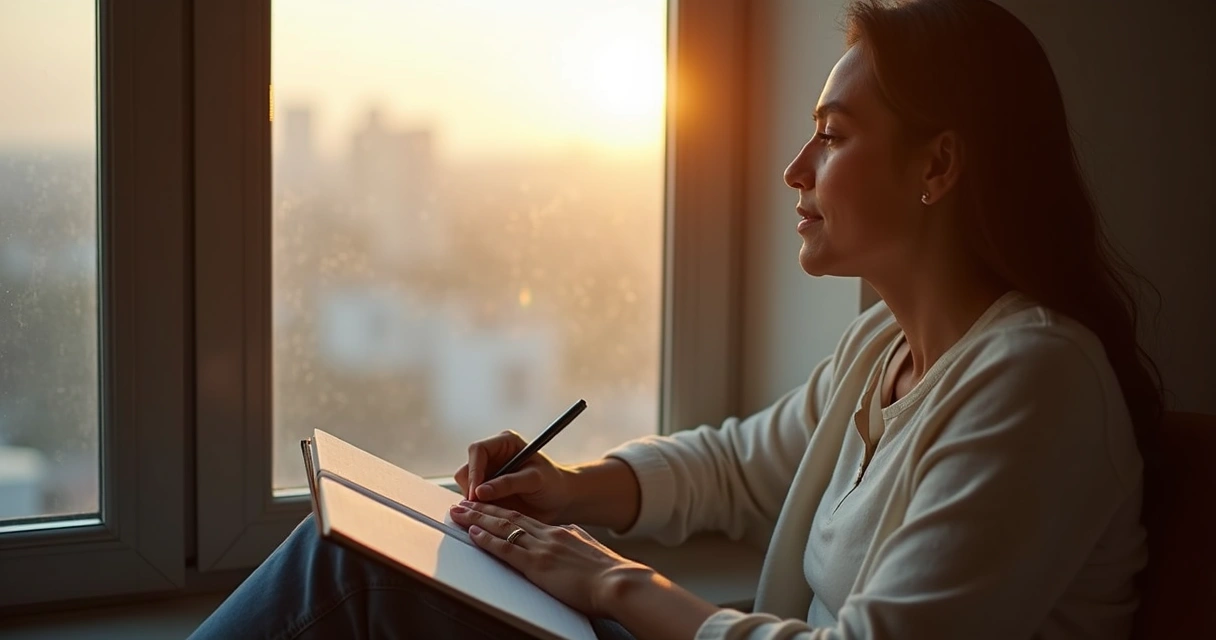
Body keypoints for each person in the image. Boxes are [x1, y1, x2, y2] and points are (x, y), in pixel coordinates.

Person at [190, 0, 1163, 638]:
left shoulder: (1036, 382)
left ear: (938, 168)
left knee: (354, 575)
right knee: (370, 548)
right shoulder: (884, 351)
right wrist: (568, 487)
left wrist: (608, 580)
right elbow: (741, 465)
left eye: (830, 136)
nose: (794, 169)